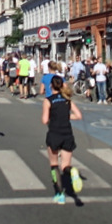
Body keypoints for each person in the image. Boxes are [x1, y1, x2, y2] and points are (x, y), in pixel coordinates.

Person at [42, 75, 83, 205]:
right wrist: (66, 116)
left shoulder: (48, 100)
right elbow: (78, 115)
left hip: (54, 133)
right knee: (65, 165)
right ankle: (72, 171)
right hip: (67, 134)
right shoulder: (67, 99)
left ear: (51, 86)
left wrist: (53, 118)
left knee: (54, 165)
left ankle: (60, 194)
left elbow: (44, 120)